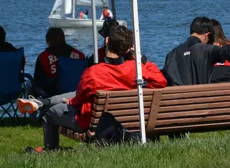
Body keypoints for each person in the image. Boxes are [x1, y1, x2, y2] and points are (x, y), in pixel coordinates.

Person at [17, 25, 167, 152]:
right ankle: (42, 102)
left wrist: (70, 102)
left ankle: (51, 148)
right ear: (129, 49)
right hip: (126, 119)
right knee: (68, 99)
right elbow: (160, 81)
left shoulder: (94, 72)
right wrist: (141, 59)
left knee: (49, 113)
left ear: (107, 41)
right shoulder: (136, 69)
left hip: (92, 121)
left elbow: (79, 99)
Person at [162, 16, 230, 86]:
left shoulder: (172, 54)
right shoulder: (206, 50)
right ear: (206, 35)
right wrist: (223, 42)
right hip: (202, 100)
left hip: (178, 100)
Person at [33, 28, 86, 98]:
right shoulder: (80, 55)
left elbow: (37, 80)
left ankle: (31, 107)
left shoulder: (43, 57)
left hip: (53, 94)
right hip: (77, 92)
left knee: (29, 84)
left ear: (47, 40)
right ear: (64, 38)